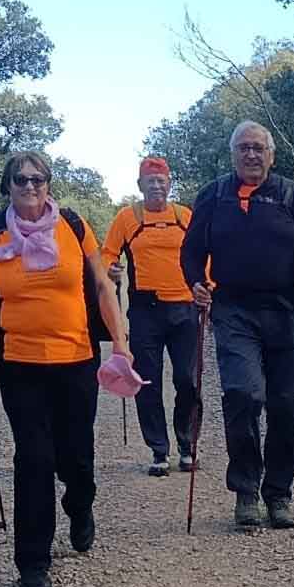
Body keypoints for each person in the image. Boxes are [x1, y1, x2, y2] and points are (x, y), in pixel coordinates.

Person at [0, 150, 130, 587]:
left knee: (76, 456)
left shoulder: (73, 226)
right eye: (20, 179)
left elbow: (102, 285)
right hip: (19, 363)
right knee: (34, 458)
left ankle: (80, 503)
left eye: (38, 178)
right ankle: (33, 563)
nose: (30, 186)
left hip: (76, 358)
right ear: (8, 186)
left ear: (49, 183)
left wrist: (121, 344)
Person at [179, 121, 294, 530]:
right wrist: (196, 282)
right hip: (234, 309)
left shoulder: (291, 195)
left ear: (272, 154)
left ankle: (279, 494)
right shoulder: (214, 195)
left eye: (258, 148)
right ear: (232, 154)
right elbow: (191, 251)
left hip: (289, 310)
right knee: (243, 395)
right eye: (243, 148)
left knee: (285, 407)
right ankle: (246, 491)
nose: (251, 154)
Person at [100, 157, 197, 477]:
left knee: (187, 379)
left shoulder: (184, 216)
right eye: (150, 181)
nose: (156, 186)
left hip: (185, 308)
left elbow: (203, 253)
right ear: (140, 185)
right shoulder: (128, 217)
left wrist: (208, 286)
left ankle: (188, 445)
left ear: (169, 184)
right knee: (147, 381)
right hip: (145, 310)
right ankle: (159, 450)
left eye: (161, 181)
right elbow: (107, 253)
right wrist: (111, 269)